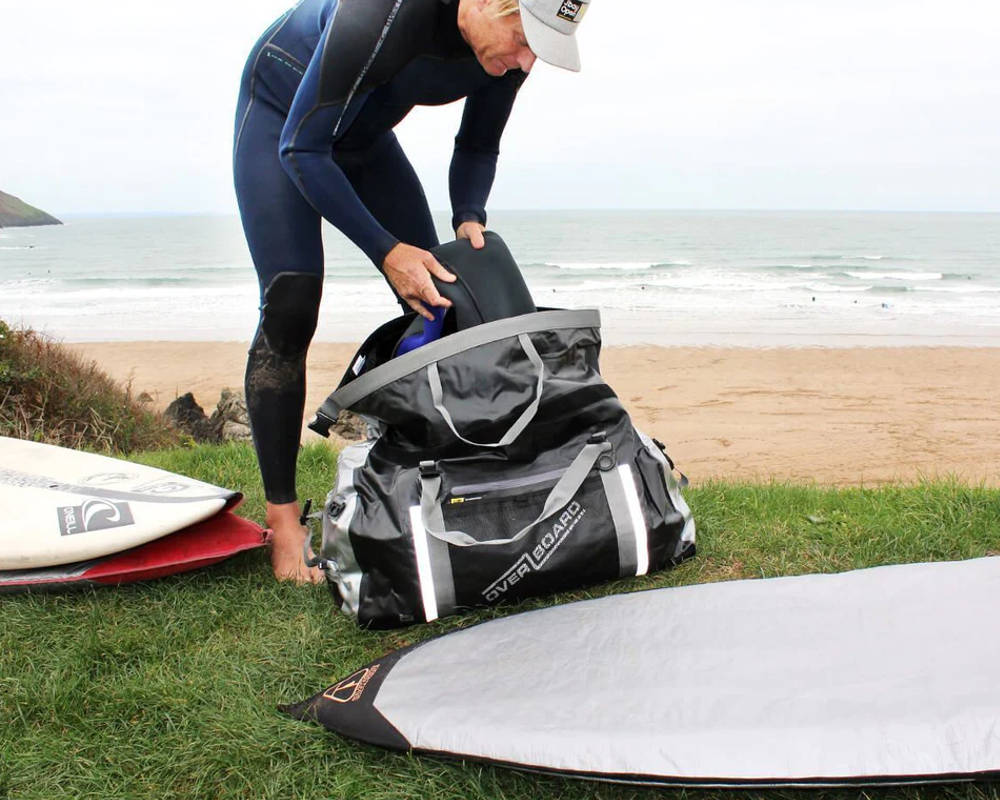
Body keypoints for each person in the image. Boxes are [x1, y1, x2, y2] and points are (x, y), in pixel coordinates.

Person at [233, 0, 591, 582]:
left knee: (438, 301)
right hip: (285, 115)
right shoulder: (386, 10)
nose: (528, 61)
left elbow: (478, 144)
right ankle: (283, 523)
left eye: (541, 49)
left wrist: (469, 214)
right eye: (526, 39)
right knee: (292, 303)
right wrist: (387, 251)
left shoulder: (507, 52)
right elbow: (302, 148)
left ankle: (463, 482)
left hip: (363, 135)